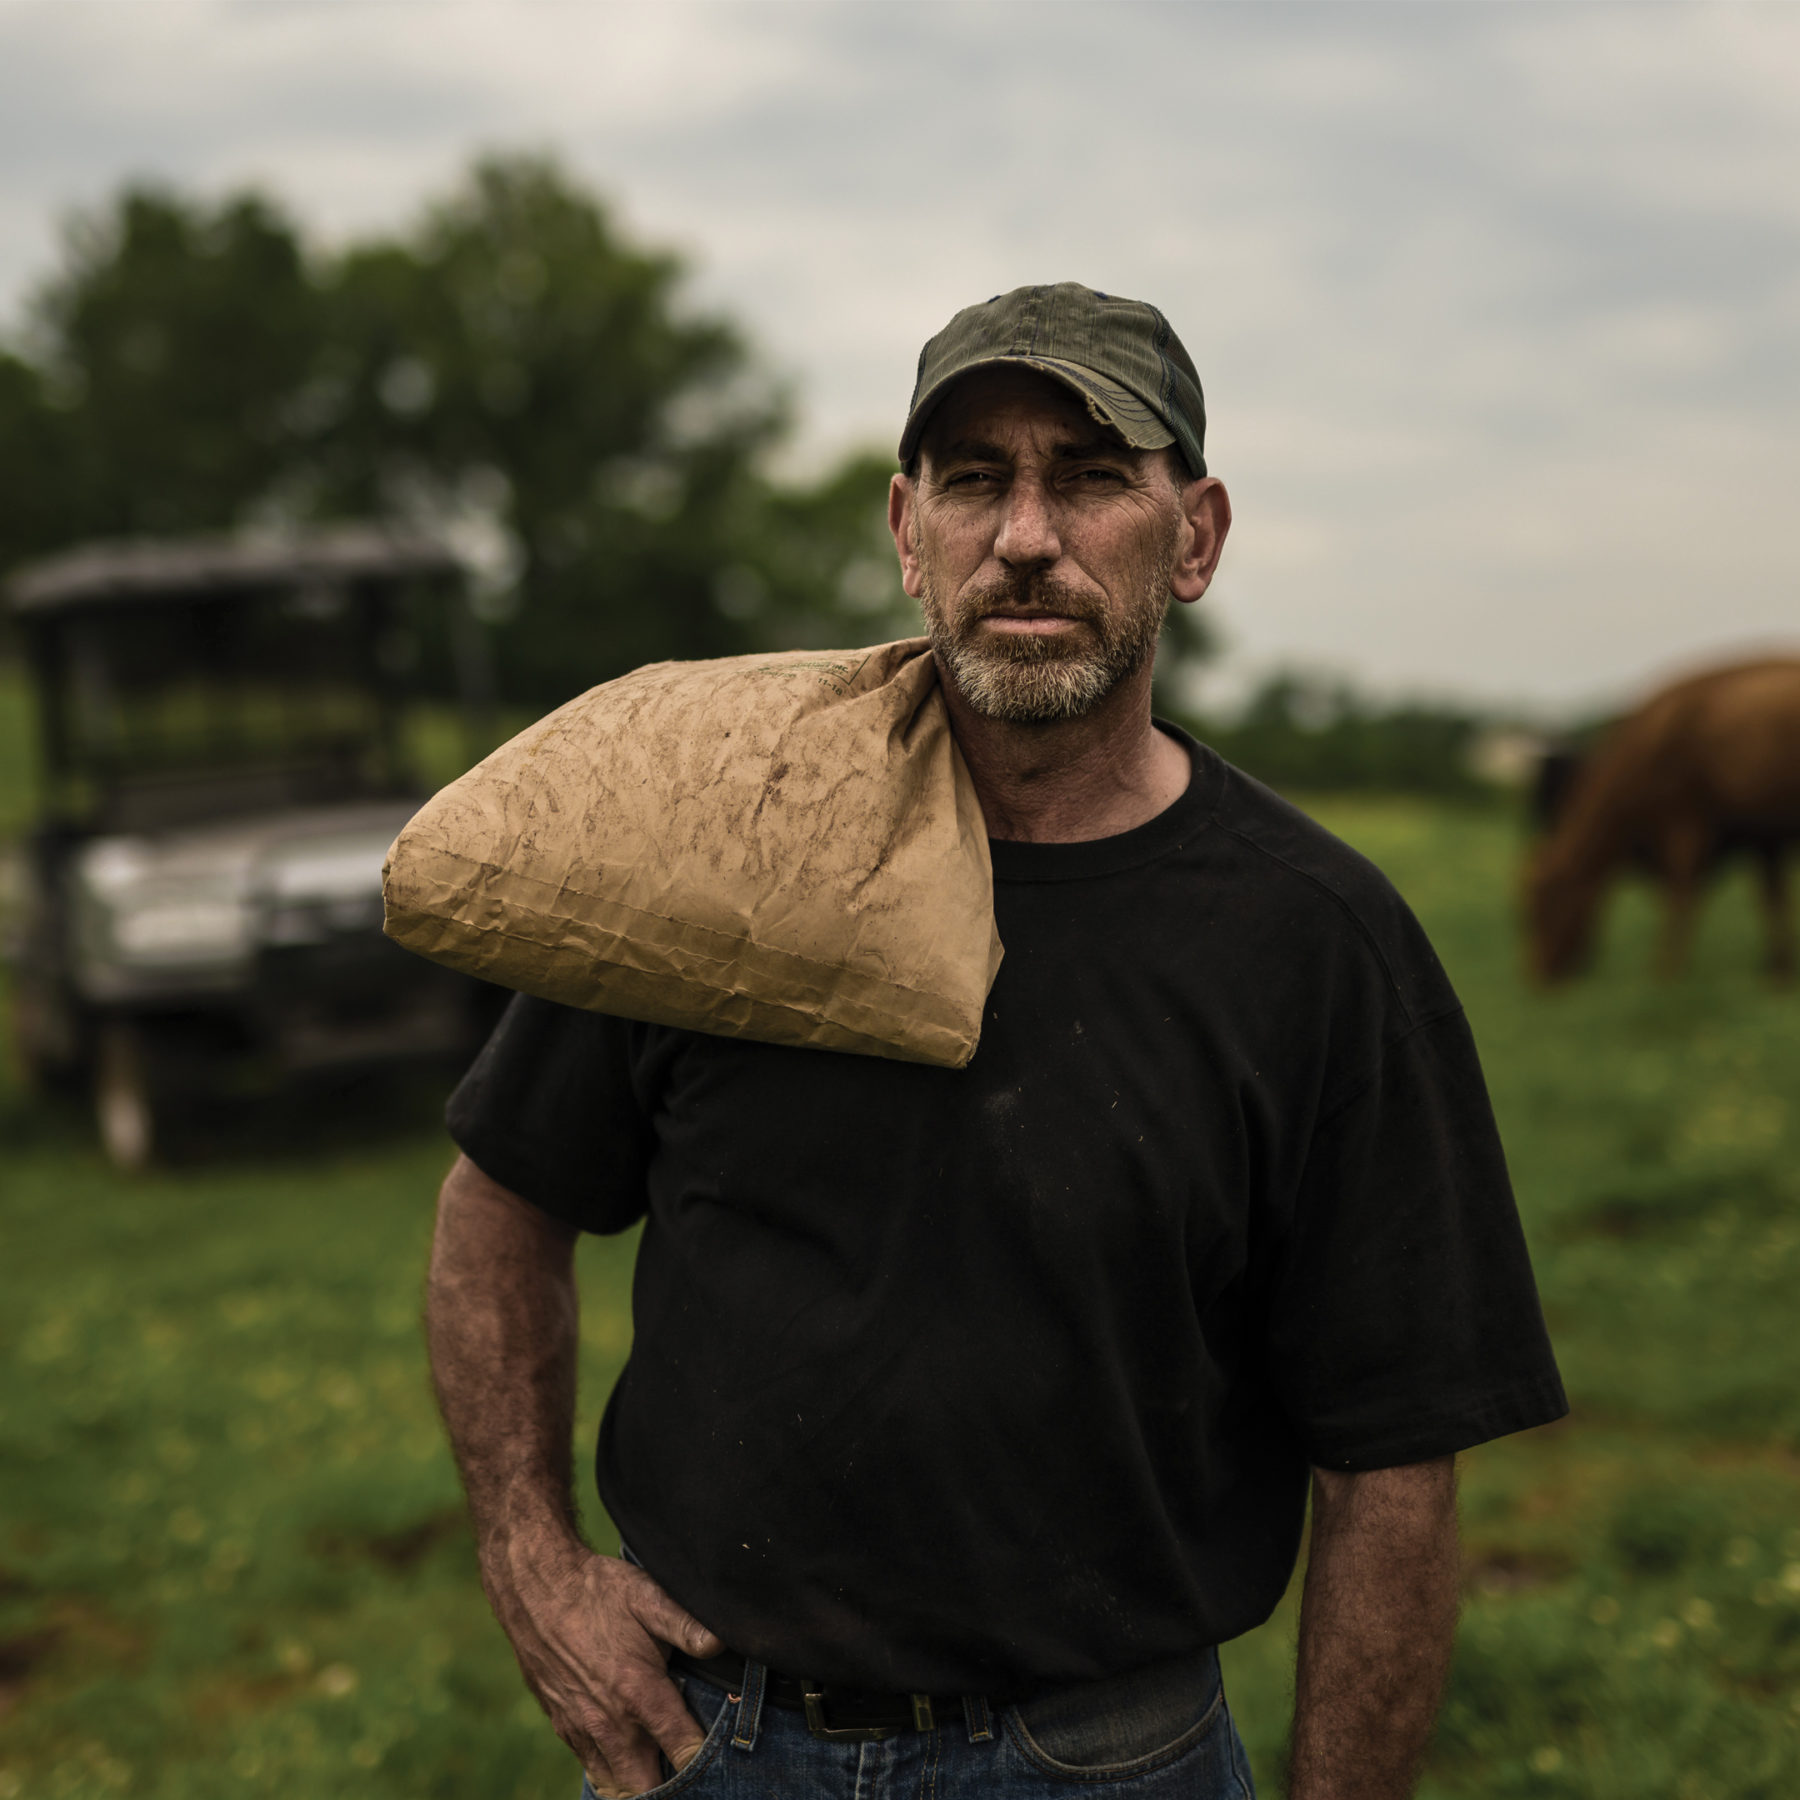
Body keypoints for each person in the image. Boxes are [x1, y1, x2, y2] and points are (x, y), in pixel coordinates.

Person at [427, 282, 1567, 1800]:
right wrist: (529, 1557)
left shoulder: (1315, 944)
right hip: (707, 1743)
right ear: (909, 533)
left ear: (1198, 533)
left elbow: (1395, 1465)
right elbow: (499, 1200)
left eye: (1093, 478)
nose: (1026, 534)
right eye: (975, 480)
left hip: (1107, 1759)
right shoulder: (727, 853)